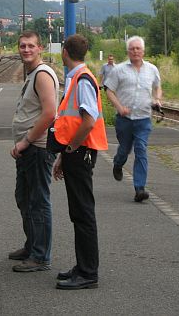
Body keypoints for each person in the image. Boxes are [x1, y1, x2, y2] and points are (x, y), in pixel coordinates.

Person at [52, 34, 108, 290]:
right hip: (75, 152)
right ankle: (83, 266)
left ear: (65, 52)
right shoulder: (78, 78)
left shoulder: (82, 80)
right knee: (79, 212)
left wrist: (72, 148)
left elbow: (88, 120)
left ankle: (88, 272)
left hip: (81, 151)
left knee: (83, 213)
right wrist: (64, 155)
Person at [9, 31, 59, 272]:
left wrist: (26, 140)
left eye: (30, 46)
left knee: (38, 201)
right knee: (24, 199)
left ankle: (41, 256)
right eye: (22, 46)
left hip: (37, 149)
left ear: (40, 48)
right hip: (29, 149)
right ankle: (32, 246)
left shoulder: (42, 75)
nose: (26, 49)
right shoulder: (33, 74)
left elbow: (50, 113)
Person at [104, 36, 162, 203]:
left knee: (141, 149)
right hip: (125, 119)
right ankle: (118, 163)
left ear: (143, 51)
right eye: (132, 48)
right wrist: (119, 107)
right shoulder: (119, 70)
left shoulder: (152, 69)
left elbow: (157, 86)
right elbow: (109, 91)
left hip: (144, 118)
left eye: (138, 48)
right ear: (128, 51)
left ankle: (139, 188)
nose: (135, 51)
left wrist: (157, 99)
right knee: (124, 149)